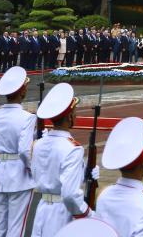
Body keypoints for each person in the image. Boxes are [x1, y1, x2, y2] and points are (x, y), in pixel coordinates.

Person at [31, 82, 97, 236]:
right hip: (62, 213)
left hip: (42, 208)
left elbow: (39, 173)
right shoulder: (72, 149)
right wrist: (87, 214)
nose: (76, 115)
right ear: (69, 117)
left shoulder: (39, 144)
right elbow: (70, 193)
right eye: (74, 112)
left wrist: (85, 171)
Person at [0, 66, 37, 237]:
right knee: (16, 227)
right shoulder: (27, 117)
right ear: (22, 91)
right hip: (19, 174)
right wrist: (34, 170)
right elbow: (25, 151)